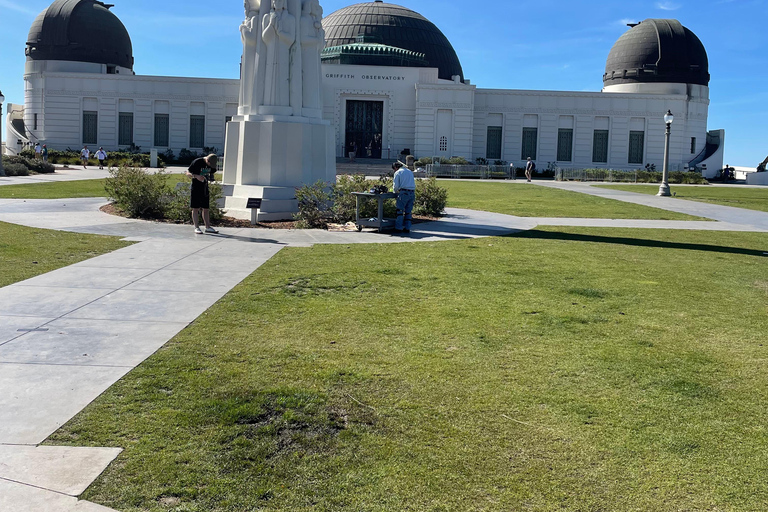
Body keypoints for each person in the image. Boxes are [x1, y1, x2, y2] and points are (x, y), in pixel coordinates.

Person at [186, 154, 220, 235]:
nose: (210, 166)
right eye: (209, 164)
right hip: (196, 187)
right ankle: (196, 227)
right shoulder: (197, 162)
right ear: (207, 160)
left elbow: (212, 172)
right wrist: (196, 176)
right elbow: (187, 172)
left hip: (205, 187)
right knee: (195, 208)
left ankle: (208, 227)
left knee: (206, 208)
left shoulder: (212, 165)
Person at [392, 161, 415, 233]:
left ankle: (398, 227)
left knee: (400, 211)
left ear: (395, 167)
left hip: (404, 193)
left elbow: (396, 186)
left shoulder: (398, 172)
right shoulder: (409, 171)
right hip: (412, 192)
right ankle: (407, 227)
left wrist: (395, 192)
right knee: (408, 211)